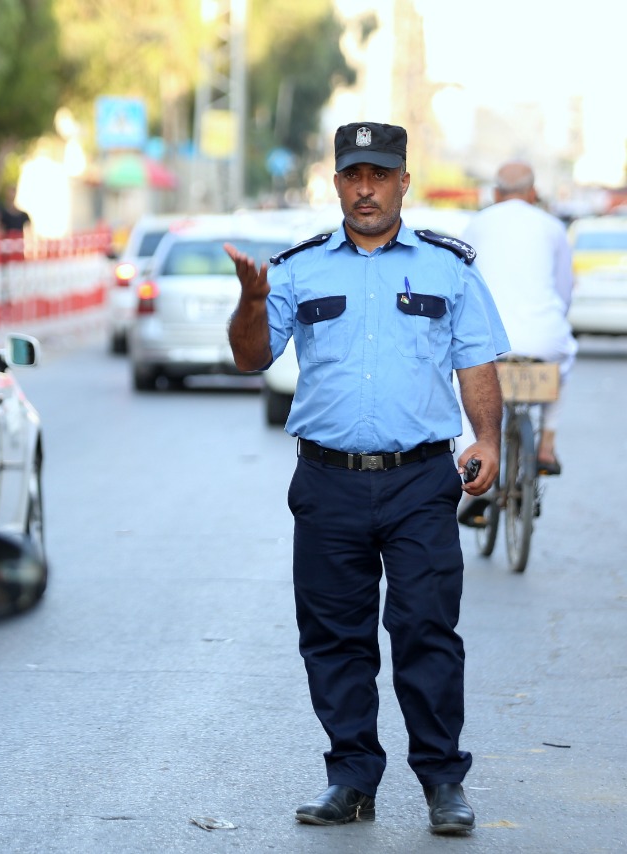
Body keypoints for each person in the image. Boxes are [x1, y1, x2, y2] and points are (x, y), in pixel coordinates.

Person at [225, 122, 510, 836]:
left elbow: (475, 360)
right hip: (328, 483)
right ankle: (351, 779)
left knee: (426, 630)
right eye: (353, 175)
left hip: (420, 481)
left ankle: (443, 781)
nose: (365, 190)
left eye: (379, 175)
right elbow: (251, 358)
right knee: (334, 636)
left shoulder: (448, 268)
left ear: (403, 182)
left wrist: (487, 439)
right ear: (336, 183)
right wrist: (252, 303)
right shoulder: (298, 270)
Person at [460, 160, 576, 478]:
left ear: (496, 193)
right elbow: (564, 290)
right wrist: (556, 321)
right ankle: (547, 444)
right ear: (533, 192)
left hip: (490, 340)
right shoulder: (553, 226)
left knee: (463, 383)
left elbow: (464, 283)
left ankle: (472, 467)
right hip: (544, 337)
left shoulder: (477, 224)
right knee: (563, 360)